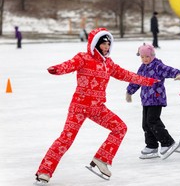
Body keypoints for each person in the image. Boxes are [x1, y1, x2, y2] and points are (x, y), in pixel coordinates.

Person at [35, 28, 159, 184]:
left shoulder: (109, 63)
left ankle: (101, 159)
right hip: (79, 107)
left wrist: (148, 81)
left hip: (97, 108)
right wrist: (58, 69)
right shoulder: (83, 58)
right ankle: (44, 172)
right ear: (95, 43)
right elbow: (69, 64)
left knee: (120, 128)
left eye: (108, 44)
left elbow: (126, 74)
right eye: (103, 44)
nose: (106, 47)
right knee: (66, 139)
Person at [126, 43, 180, 159]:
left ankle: (167, 142)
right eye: (142, 57)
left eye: (147, 57)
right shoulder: (142, 68)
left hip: (156, 98)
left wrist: (178, 74)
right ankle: (151, 146)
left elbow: (169, 70)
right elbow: (137, 80)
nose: (145, 59)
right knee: (145, 124)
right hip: (146, 100)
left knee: (152, 121)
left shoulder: (157, 65)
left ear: (152, 55)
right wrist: (129, 91)